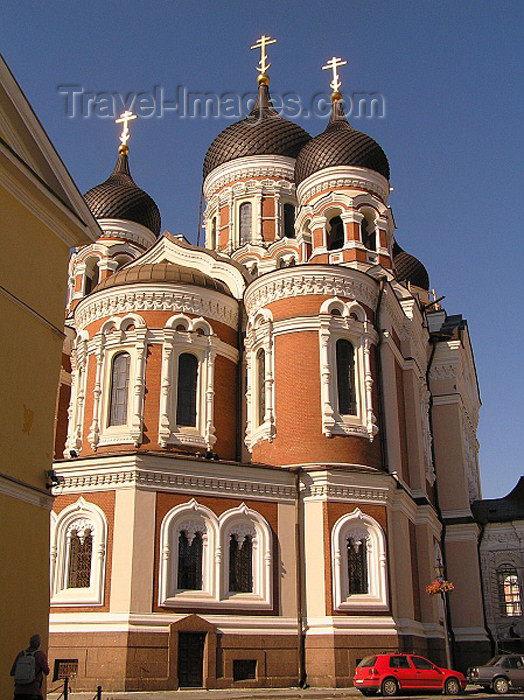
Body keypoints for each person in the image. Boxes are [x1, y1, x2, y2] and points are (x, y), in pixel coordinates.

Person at [10, 635, 50, 700]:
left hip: (18, 691)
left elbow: (12, 672)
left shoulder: (21, 654)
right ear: (39, 644)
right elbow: (47, 671)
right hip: (34, 691)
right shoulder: (40, 655)